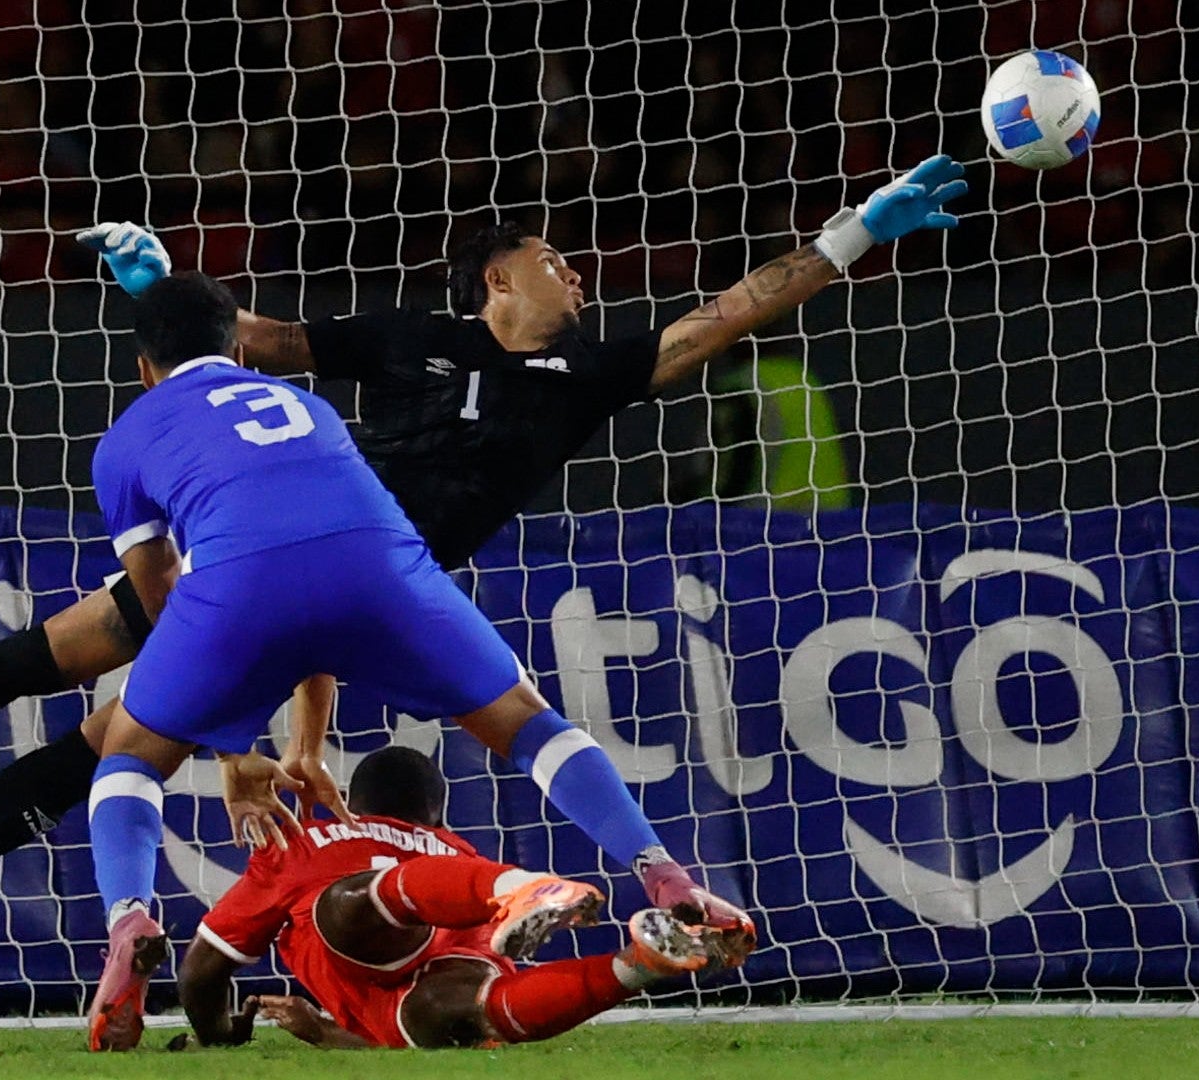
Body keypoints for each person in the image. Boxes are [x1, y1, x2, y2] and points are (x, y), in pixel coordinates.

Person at [0, 154, 966, 950]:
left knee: (110, 737)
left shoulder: (586, 373)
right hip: (279, 550)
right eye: (555, 259)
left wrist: (856, 232)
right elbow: (254, 346)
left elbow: (730, 310)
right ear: (499, 278)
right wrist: (166, 288)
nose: (578, 273)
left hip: (352, 581)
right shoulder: (408, 339)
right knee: (70, 664)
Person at [62, 270, 752, 1051]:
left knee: (129, 758)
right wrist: (303, 745)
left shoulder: (128, 438)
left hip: (238, 587)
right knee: (530, 724)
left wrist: (224, 738)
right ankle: (663, 872)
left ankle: (129, 916)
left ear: (143, 368)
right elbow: (315, 588)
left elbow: (162, 596)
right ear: (239, 351)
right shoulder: (307, 407)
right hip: (382, 568)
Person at [172, 746, 722, 1052]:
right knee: (464, 1006)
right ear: (435, 814)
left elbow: (201, 971)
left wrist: (218, 1036)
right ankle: (623, 952)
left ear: (353, 802)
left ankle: (628, 963)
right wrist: (321, 1031)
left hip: (356, 939)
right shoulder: (457, 852)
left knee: (344, 908)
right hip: (451, 916)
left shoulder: (305, 839)